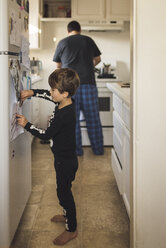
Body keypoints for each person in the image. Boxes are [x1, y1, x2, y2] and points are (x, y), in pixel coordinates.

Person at [16, 68, 80, 246]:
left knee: (64, 194)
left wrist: (27, 124)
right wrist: (32, 92)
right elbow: (46, 94)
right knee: (63, 191)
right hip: (64, 158)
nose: (50, 92)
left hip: (65, 162)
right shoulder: (65, 102)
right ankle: (67, 215)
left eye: (53, 90)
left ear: (64, 93)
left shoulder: (64, 114)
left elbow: (45, 134)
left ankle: (71, 229)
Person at [53, 20, 104, 156]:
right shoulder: (88, 40)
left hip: (69, 87)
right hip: (88, 84)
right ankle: (98, 150)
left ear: (68, 30)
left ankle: (77, 151)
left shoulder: (63, 42)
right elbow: (98, 58)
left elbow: (58, 66)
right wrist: (89, 65)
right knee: (93, 119)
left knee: (72, 120)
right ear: (79, 30)